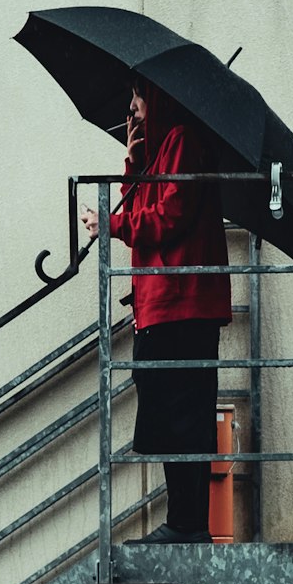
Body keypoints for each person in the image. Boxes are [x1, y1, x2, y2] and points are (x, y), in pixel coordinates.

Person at [82, 81, 231, 543]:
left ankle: (188, 526)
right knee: (169, 416)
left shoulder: (184, 140)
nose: (132, 107)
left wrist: (110, 224)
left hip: (183, 305)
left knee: (184, 416)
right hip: (162, 306)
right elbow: (144, 203)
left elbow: (167, 217)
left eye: (139, 96)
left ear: (161, 98)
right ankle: (183, 523)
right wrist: (133, 160)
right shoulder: (162, 149)